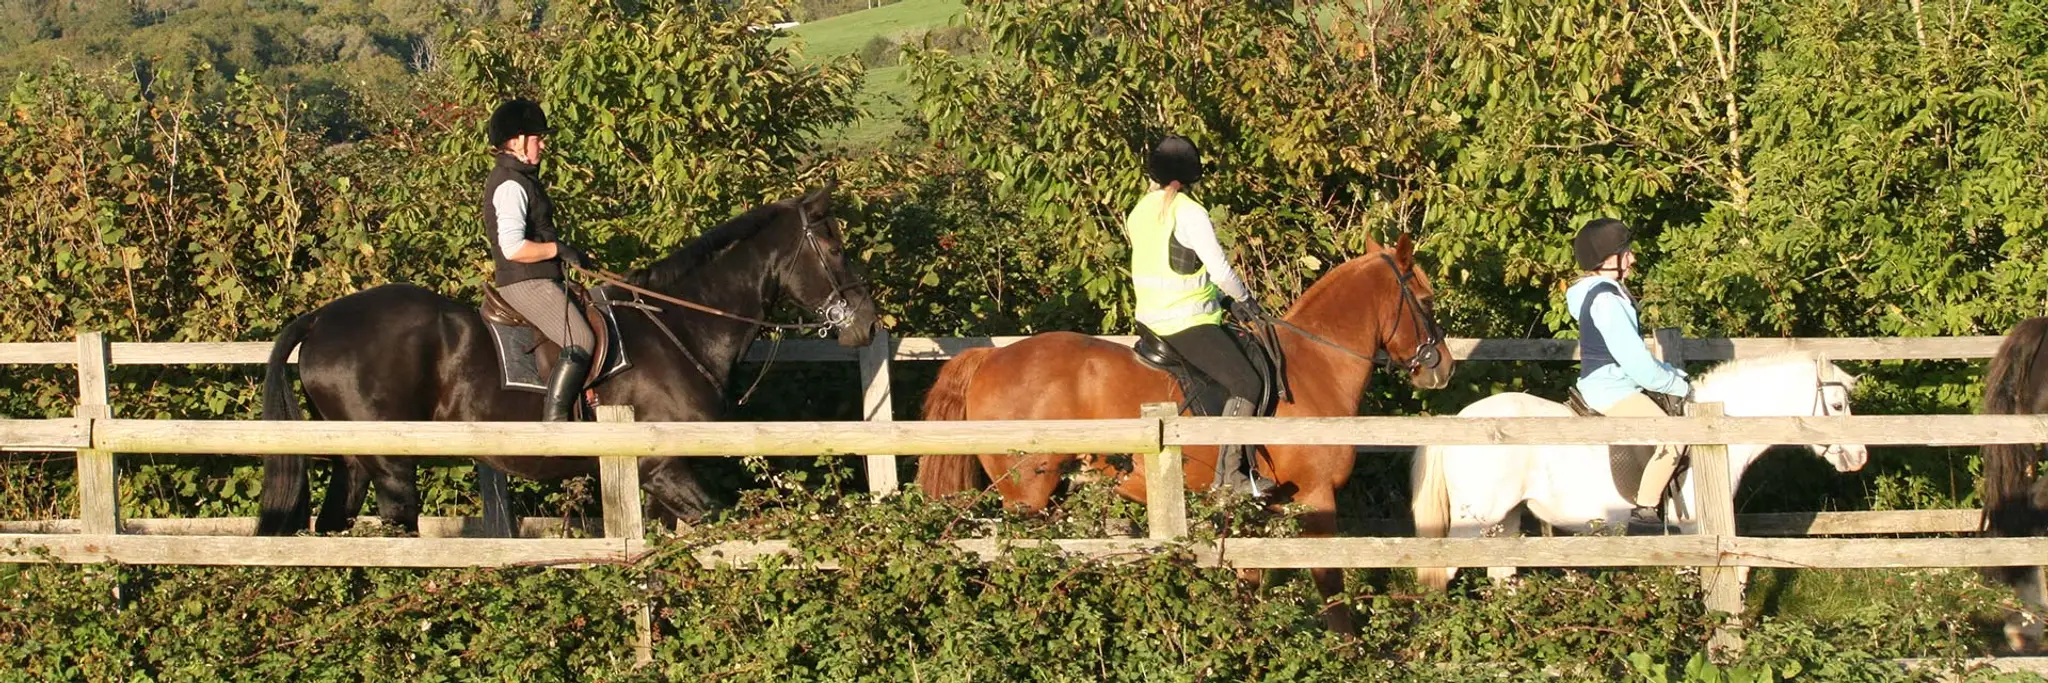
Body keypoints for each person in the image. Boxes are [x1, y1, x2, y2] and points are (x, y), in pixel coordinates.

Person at [1124, 134, 1273, 495]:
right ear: (1191, 176)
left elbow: (1172, 265)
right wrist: (1246, 299)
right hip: (1186, 322)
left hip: (1149, 319)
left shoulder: (1139, 210)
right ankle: (1230, 477)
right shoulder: (1189, 211)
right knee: (1247, 382)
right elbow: (1219, 270)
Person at [1567, 217, 1691, 533]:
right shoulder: (1608, 300)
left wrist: (1670, 371)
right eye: (1626, 252)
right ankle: (1645, 511)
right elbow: (1636, 363)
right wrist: (1678, 384)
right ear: (1607, 260)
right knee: (1675, 438)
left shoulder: (1596, 293)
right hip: (1612, 389)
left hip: (1611, 382)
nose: (1632, 258)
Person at [483, 98, 597, 422]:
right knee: (581, 338)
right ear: (517, 141)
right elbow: (513, 248)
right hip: (524, 281)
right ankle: (555, 421)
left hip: (539, 277)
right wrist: (557, 250)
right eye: (537, 138)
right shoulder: (509, 184)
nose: (542, 144)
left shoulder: (523, 178)